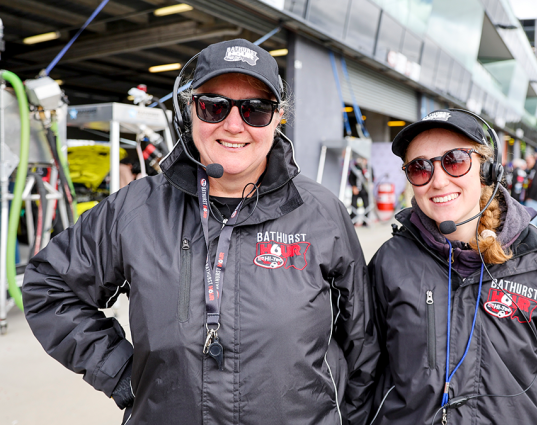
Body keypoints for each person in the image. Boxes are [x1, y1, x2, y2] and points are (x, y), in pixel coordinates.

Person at [22, 39, 378, 425]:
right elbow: (49, 284)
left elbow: (363, 342)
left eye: (256, 110)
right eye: (214, 106)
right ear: (189, 111)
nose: (233, 124)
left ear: (278, 120)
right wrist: (122, 372)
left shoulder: (322, 213)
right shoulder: (136, 209)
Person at [367, 109, 537, 424]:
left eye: (455, 160)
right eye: (420, 168)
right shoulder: (389, 261)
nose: (438, 181)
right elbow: (368, 365)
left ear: (486, 170)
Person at [349, 156, 372, 225]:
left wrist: (370, 183)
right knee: (354, 205)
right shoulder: (355, 168)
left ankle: (365, 221)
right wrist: (353, 186)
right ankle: (353, 221)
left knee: (367, 205)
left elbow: (372, 178)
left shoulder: (369, 168)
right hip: (356, 190)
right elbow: (350, 178)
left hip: (365, 191)